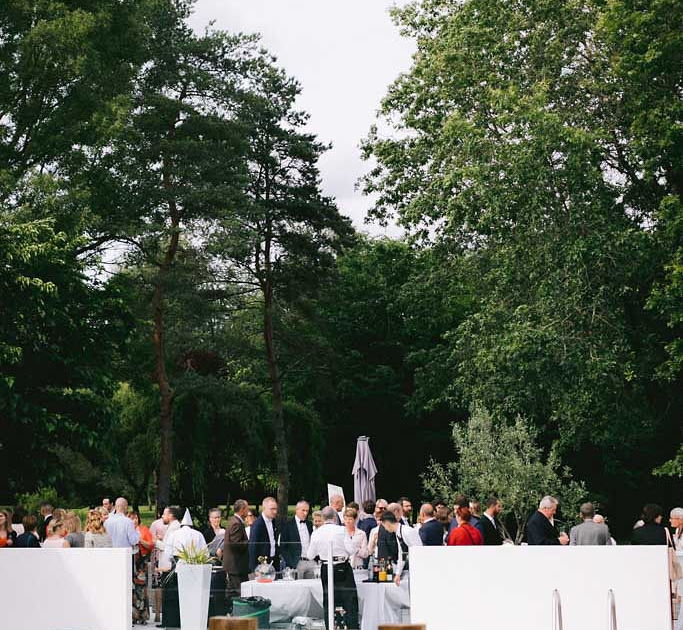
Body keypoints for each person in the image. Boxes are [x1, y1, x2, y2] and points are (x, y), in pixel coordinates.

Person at [306, 506, 360, 630]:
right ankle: (351, 627)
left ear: (323, 518)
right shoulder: (342, 530)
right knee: (349, 600)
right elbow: (351, 550)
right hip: (342, 567)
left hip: (325, 566)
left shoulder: (316, 533)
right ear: (335, 517)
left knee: (328, 600)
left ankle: (330, 626)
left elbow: (310, 555)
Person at [155, 506, 182, 629]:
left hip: (169, 566)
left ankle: (169, 621)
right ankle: (167, 620)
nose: (162, 516)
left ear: (171, 516)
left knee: (169, 595)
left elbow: (167, 547)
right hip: (168, 565)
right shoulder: (173, 527)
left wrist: (154, 541)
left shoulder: (174, 528)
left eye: (164, 514)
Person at [223, 499, 250, 613]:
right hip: (236, 565)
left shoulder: (234, 521)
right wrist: (249, 542)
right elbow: (234, 544)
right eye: (247, 509)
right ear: (242, 510)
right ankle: (238, 615)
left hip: (234, 565)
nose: (248, 512)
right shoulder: (236, 523)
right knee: (239, 593)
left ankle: (231, 613)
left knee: (232, 592)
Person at [129, 509, 153, 625]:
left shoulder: (144, 529)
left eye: (135, 518)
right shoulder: (127, 530)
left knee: (141, 591)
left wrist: (140, 540)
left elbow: (151, 545)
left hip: (141, 564)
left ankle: (143, 616)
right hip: (130, 562)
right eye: (131, 518)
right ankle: (133, 616)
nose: (134, 520)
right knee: (132, 591)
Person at [149, 506, 169, 624]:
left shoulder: (174, 525)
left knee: (167, 587)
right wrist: (158, 538)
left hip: (168, 559)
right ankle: (157, 613)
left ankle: (166, 612)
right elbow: (150, 538)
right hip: (157, 557)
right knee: (158, 586)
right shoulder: (155, 524)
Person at [248, 497, 279, 572]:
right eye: (272, 509)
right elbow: (253, 548)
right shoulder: (257, 525)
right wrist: (255, 569)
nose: (275, 511)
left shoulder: (273, 521)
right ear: (264, 508)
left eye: (276, 509)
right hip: (262, 565)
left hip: (273, 561)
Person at [280, 500, 313, 568]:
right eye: (303, 510)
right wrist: (291, 562)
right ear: (296, 510)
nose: (305, 513)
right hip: (296, 563)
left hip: (310, 561)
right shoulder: (287, 525)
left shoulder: (309, 524)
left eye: (307, 511)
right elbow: (283, 547)